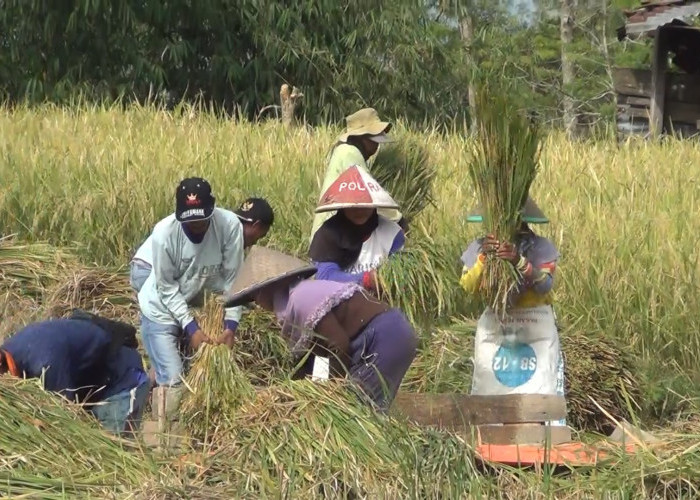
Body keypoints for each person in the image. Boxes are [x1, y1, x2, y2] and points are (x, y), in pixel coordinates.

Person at [224, 245, 418, 412]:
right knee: (357, 406)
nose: (257, 303)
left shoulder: (302, 297)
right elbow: (319, 355)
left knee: (357, 411)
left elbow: (339, 345)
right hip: (379, 336)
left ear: (268, 288)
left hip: (386, 337)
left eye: (255, 296)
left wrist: (328, 393)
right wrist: (296, 391)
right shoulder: (294, 308)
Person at [137, 177, 263, 430]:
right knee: (174, 378)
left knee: (188, 374)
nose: (195, 225)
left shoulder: (228, 227)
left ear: (212, 208)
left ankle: (178, 429)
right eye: (189, 219)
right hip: (160, 309)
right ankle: (162, 440)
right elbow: (167, 288)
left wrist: (231, 326)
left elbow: (232, 280)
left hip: (194, 304)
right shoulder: (164, 234)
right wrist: (192, 329)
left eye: (201, 218)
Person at [459, 197, 566, 426]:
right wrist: (484, 258)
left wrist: (519, 261)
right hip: (497, 323)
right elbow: (468, 285)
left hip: (535, 326)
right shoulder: (480, 247)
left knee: (538, 396)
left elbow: (545, 284)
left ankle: (539, 435)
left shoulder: (540, 247)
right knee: (491, 394)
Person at [0, 312, 149, 436]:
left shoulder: (45, 363)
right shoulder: (11, 349)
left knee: (115, 449)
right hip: (91, 381)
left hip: (121, 381)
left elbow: (66, 417)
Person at [129, 197, 274, 293]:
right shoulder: (228, 233)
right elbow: (222, 283)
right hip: (149, 273)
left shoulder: (222, 224)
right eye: (263, 234)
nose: (258, 240)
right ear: (257, 226)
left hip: (142, 269)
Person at [309, 108, 407, 242]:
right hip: (331, 237)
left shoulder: (345, 151)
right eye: (373, 140)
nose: (376, 146)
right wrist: (398, 219)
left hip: (335, 235)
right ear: (360, 137)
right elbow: (369, 195)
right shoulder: (350, 154)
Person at [309, 164, 405, 293]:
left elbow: (398, 276)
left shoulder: (392, 234)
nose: (359, 211)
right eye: (353, 206)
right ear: (342, 207)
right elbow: (325, 277)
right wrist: (366, 279)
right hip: (339, 306)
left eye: (365, 205)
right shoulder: (327, 235)